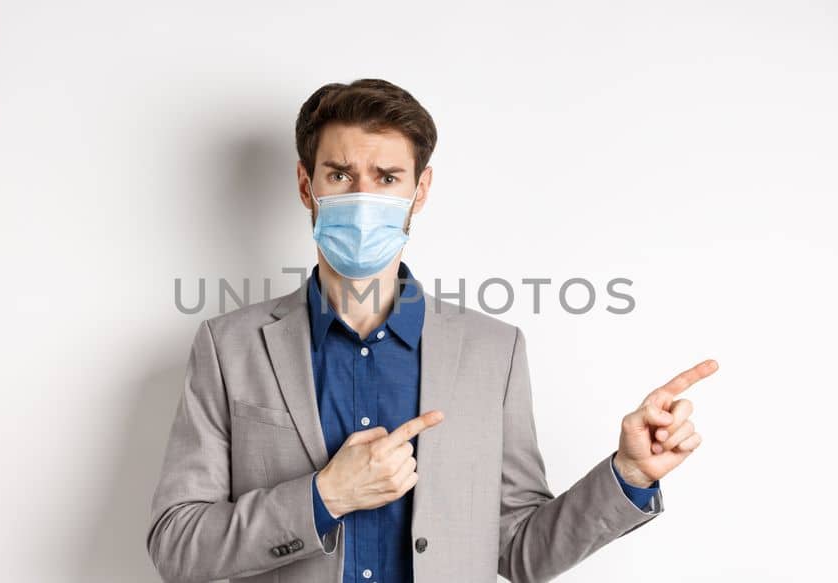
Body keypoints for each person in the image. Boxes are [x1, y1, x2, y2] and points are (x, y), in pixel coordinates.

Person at [147, 78, 716, 583]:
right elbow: (176, 545)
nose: (363, 198)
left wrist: (629, 474)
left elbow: (522, 552)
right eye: (341, 174)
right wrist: (323, 498)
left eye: (387, 177)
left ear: (420, 191)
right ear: (306, 186)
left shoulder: (496, 351)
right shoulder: (230, 346)